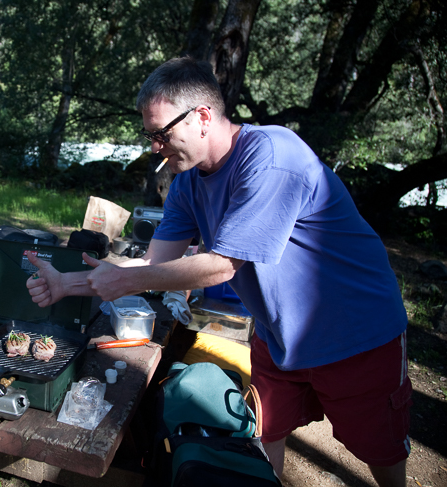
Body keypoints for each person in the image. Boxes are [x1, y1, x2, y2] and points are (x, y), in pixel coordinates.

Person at [26, 57, 411, 487]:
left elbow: (223, 265)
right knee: (264, 435)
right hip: (277, 335)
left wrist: (131, 280)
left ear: (203, 117)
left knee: (380, 450)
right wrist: (66, 285)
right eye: (149, 135)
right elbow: (154, 263)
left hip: (355, 333)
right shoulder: (187, 182)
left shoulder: (271, 156)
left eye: (162, 134)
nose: (155, 147)